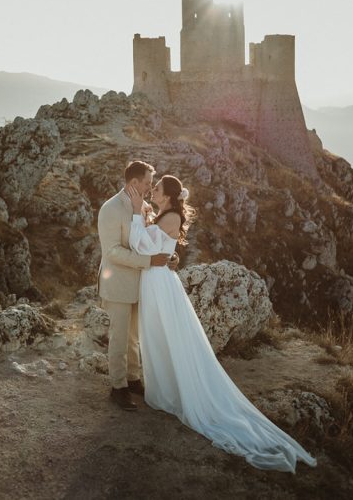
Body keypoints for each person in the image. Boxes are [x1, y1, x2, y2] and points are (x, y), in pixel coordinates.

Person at [124, 174, 319, 473]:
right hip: (154, 281)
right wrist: (147, 217)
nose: (152, 191)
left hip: (160, 284)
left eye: (157, 189)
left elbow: (142, 246)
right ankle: (163, 389)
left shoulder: (171, 215)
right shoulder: (164, 214)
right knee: (156, 336)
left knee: (166, 335)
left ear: (168, 195)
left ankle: (175, 392)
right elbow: (158, 247)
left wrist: (139, 215)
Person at [96, 160, 178, 411]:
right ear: (134, 182)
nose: (150, 187)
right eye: (147, 183)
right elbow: (112, 252)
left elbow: (153, 241)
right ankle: (117, 387)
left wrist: (169, 257)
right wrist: (149, 260)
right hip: (118, 283)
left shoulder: (143, 207)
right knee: (119, 337)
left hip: (141, 284)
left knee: (133, 337)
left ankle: (133, 379)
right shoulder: (110, 209)